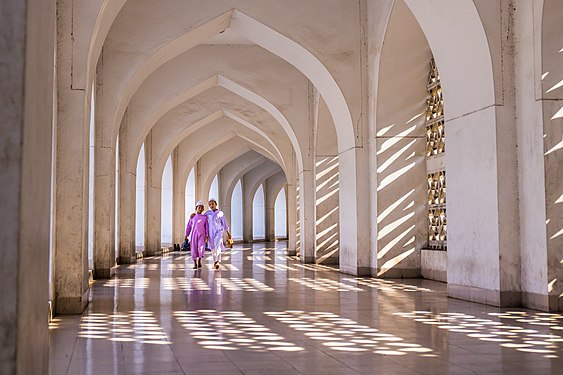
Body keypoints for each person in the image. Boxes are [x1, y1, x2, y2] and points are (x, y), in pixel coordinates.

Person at [205, 198, 231, 270]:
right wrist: (193, 215)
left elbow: (224, 223)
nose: (211, 205)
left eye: (213, 204)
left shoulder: (220, 213)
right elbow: (201, 219)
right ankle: (215, 262)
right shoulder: (207, 213)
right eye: (210, 204)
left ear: (216, 204)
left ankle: (217, 262)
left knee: (217, 246)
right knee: (213, 248)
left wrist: (228, 233)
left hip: (218, 232)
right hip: (210, 233)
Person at [185, 200, 208, 269]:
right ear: (196, 208)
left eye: (202, 208)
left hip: (202, 235)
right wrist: (186, 234)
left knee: (201, 248)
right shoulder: (192, 217)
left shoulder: (205, 217)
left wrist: (207, 236)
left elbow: (206, 227)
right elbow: (188, 226)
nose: (200, 209)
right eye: (199, 207)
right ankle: (195, 263)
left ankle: (199, 261)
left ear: (203, 209)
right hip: (194, 235)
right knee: (193, 249)